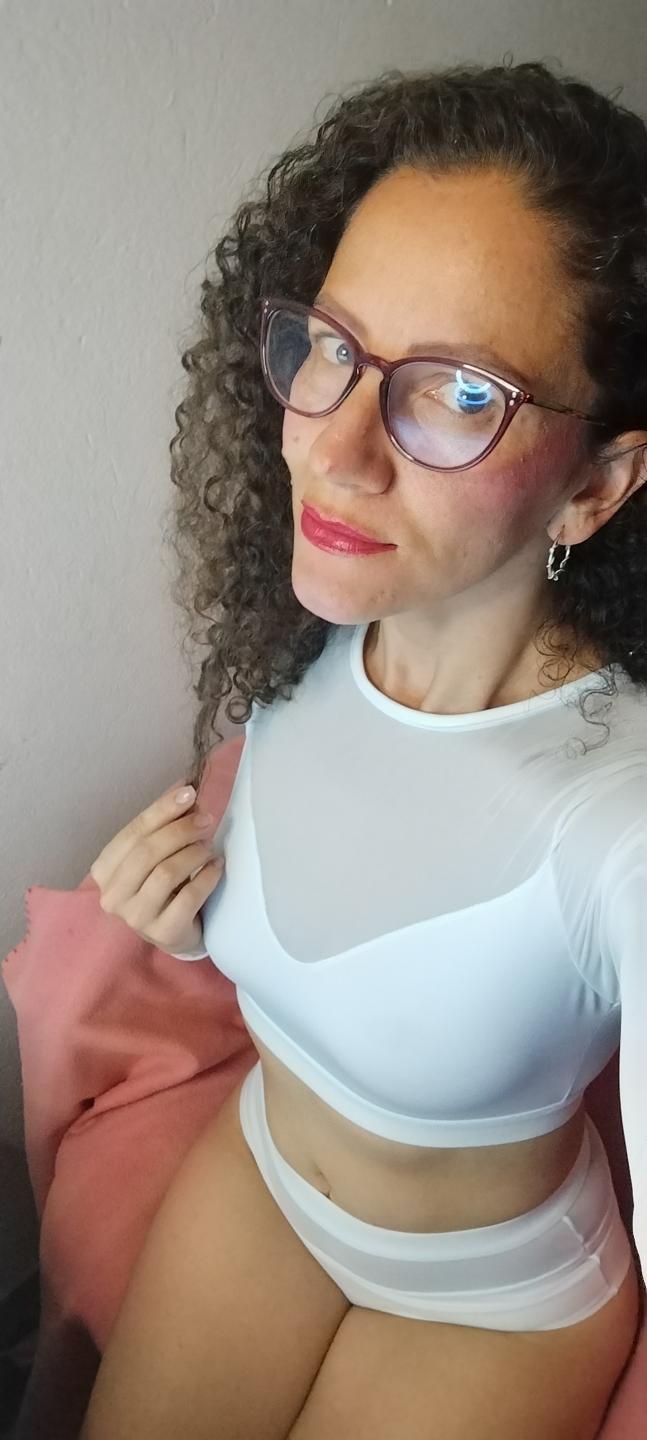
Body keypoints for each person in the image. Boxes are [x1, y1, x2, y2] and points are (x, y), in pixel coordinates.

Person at [81, 59, 647, 1439]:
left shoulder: (623, 822)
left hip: (489, 1304)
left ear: (598, 483)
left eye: (458, 392)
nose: (332, 452)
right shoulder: (316, 630)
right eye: (333, 346)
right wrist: (196, 931)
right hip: (264, 1183)